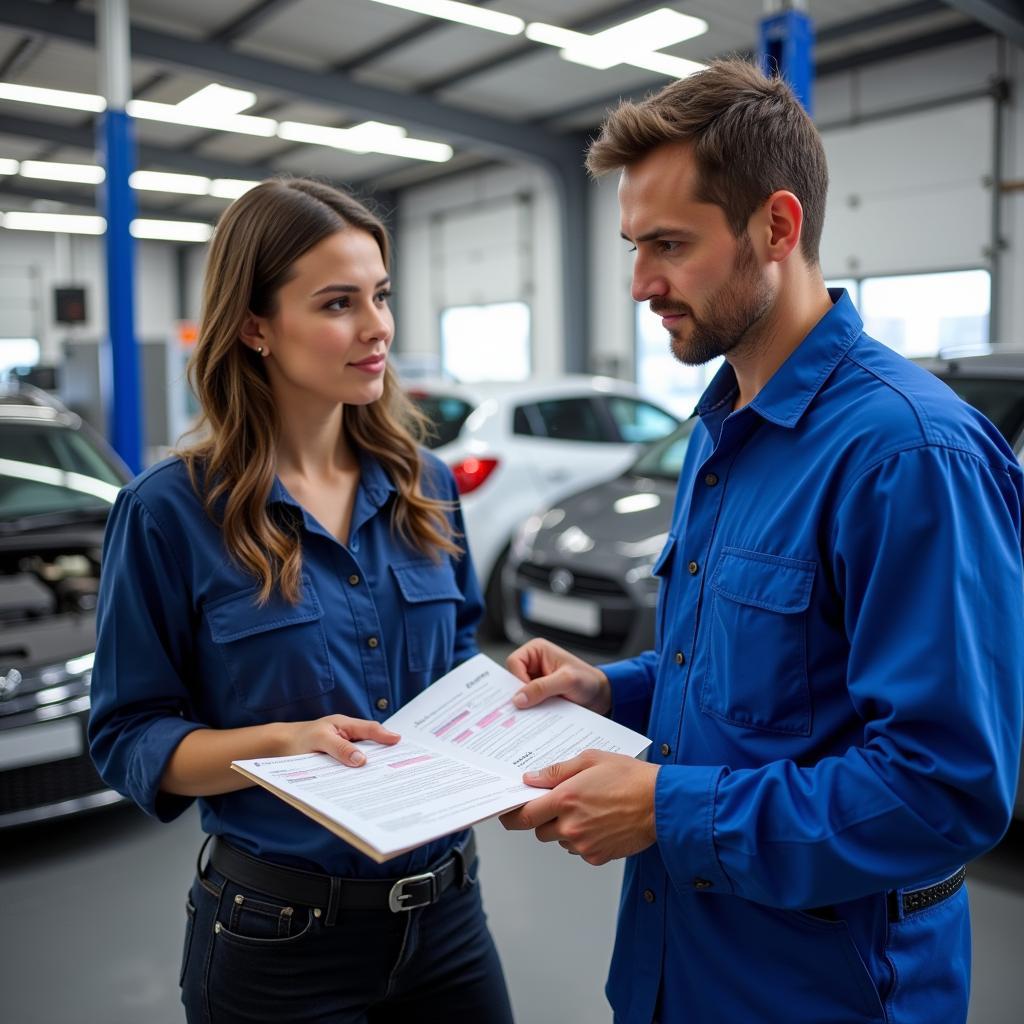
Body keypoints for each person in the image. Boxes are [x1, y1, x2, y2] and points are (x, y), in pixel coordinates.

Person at [500, 59, 1024, 1024]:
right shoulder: (722, 425)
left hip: (821, 993)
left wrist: (667, 808)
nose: (639, 283)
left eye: (668, 244)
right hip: (678, 971)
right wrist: (611, 688)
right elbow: (768, 677)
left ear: (777, 228)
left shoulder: (908, 455)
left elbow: (943, 790)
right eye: (631, 245)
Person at [88, 178, 514, 1024]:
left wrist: (512, 698)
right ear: (255, 326)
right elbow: (126, 735)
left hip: (448, 920)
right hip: (277, 945)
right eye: (337, 303)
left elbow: (456, 658)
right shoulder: (171, 512)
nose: (376, 327)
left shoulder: (422, 485)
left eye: (381, 296)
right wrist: (282, 743)